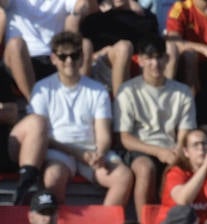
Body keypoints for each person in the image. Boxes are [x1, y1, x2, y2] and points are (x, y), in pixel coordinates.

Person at [13, 30, 133, 206]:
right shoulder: (42, 89)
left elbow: (103, 134)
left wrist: (99, 153)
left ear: (82, 57)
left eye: (74, 55)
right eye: (63, 56)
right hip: (58, 151)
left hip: (91, 151)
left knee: (123, 177)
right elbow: (41, 137)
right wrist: (78, 153)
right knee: (53, 177)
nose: (69, 61)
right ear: (54, 59)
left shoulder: (98, 90)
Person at [116, 36, 196, 215]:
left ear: (167, 59)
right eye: (149, 58)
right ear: (140, 60)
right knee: (146, 168)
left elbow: (185, 131)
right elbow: (126, 138)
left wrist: (177, 151)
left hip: (172, 148)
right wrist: (159, 152)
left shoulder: (182, 92)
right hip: (141, 149)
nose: (155, 63)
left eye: (159, 57)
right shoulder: (127, 91)